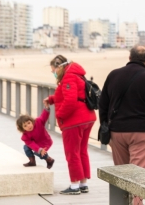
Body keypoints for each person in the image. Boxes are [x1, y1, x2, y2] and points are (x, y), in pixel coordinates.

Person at [99, 46, 145, 189]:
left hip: (117, 132)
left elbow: (103, 104)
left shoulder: (114, 75)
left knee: (123, 177)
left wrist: (106, 125)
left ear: (129, 58)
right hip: (144, 133)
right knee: (139, 179)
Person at [44, 55, 96, 195]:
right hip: (87, 118)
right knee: (82, 151)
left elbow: (70, 101)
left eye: (53, 69)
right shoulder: (77, 74)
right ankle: (83, 183)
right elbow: (72, 95)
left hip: (75, 121)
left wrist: (59, 116)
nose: (52, 72)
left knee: (72, 153)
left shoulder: (68, 77)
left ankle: (74, 186)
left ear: (59, 66)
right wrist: (52, 99)